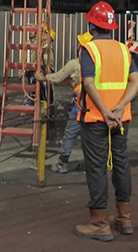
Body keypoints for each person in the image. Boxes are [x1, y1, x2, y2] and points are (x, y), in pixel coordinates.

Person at [75, 1, 138, 241]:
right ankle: (124, 218)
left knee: (97, 168)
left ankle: (100, 223)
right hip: (121, 119)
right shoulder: (124, 49)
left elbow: (88, 83)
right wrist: (120, 106)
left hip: (96, 119)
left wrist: (104, 111)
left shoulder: (88, 49)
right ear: (111, 26)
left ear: (92, 25)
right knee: (121, 164)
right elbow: (136, 81)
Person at [35, 32, 92, 174]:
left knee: (71, 131)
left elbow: (59, 76)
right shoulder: (97, 64)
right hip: (94, 101)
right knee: (90, 132)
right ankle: (90, 162)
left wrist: (43, 78)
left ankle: (62, 163)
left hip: (80, 101)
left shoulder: (75, 64)